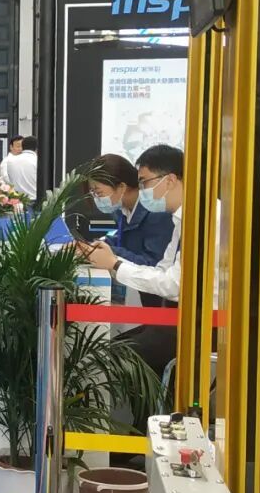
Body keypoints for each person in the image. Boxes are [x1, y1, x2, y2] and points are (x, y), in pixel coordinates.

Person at [83, 145, 207, 385]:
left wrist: (115, 264)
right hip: (175, 315)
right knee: (116, 349)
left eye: (144, 182)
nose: (141, 190)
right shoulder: (180, 220)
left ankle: (153, 405)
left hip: (198, 324)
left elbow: (173, 285)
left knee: (121, 354)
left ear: (170, 180)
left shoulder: (197, 219)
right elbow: (162, 270)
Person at [87, 153, 176, 307]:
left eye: (98, 193)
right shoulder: (122, 210)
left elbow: (153, 265)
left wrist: (111, 255)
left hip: (160, 299)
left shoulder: (158, 213)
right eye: (93, 193)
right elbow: (123, 239)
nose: (96, 198)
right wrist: (98, 245)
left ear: (121, 187)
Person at [2, 135, 38, 200]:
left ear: (23, 147)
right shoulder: (38, 161)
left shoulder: (10, 161)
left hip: (17, 201)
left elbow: (8, 180)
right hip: (36, 199)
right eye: (17, 146)